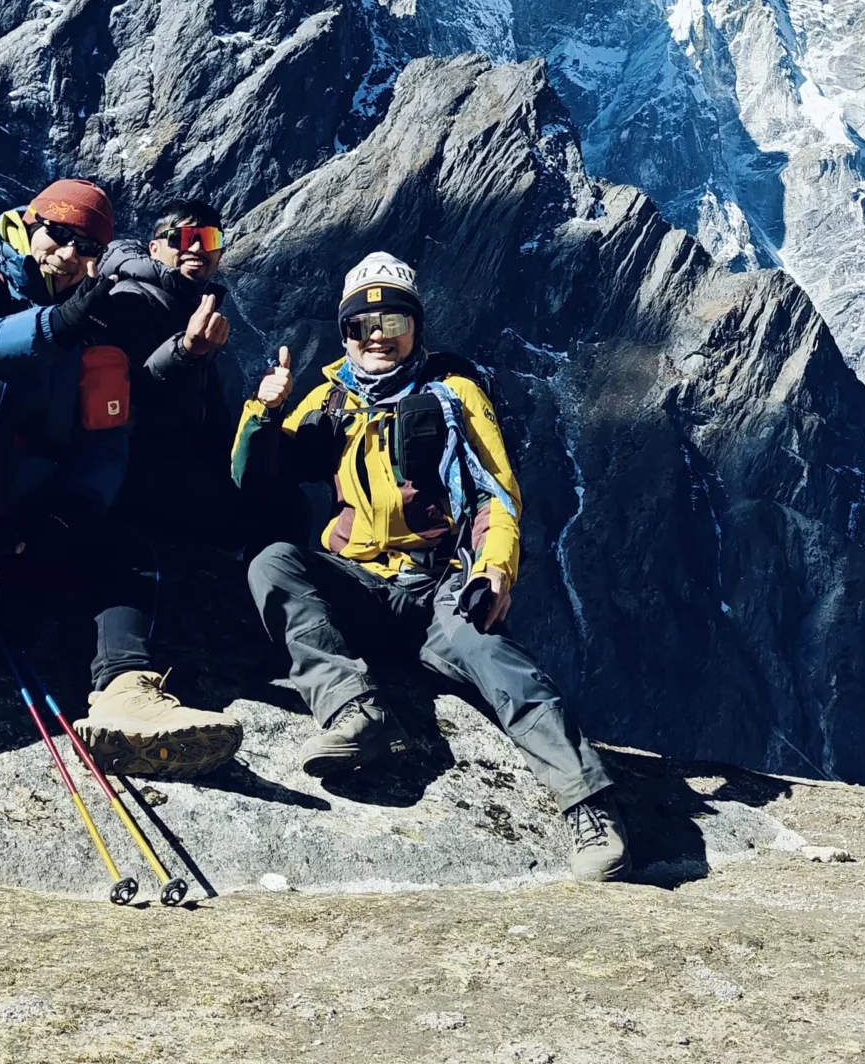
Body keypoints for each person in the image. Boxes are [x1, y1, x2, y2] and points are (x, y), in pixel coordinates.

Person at [235, 252, 630, 881]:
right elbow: (252, 479)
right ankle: (350, 712)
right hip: (359, 582)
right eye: (360, 326)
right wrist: (263, 411)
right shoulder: (329, 400)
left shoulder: (452, 395)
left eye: (393, 323)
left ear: (417, 328)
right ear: (345, 333)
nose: (376, 338)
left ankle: (590, 808)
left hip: (438, 583)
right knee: (273, 562)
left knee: (500, 661)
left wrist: (493, 569)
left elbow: (495, 496)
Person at [0, 180, 241, 776]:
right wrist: (54, 324)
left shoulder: (95, 315)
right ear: (28, 224)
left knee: (126, 554)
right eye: (58, 236)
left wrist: (75, 507)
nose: (69, 256)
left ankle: (127, 691)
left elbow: (106, 429)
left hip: (30, 505)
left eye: (87, 248)